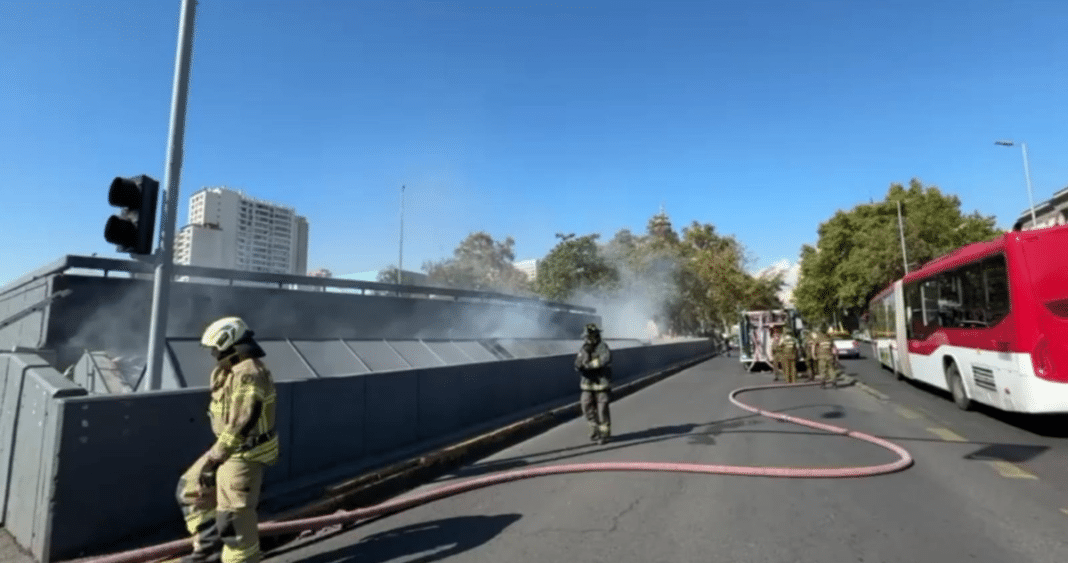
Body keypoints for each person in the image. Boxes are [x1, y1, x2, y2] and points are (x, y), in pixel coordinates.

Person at [176, 317, 279, 563]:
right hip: (228, 448)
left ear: (228, 343)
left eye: (215, 348)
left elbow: (243, 421)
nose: (213, 353)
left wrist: (214, 458)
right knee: (190, 488)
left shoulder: (248, 374)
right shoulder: (228, 372)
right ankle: (209, 552)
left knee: (235, 520)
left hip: (244, 452)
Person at [575, 323, 612, 444]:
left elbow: (605, 359)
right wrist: (579, 365)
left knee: (602, 411)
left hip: (601, 384)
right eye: (585, 337)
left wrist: (590, 366)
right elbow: (577, 362)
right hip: (587, 385)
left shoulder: (602, 346)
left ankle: (604, 435)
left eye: (588, 336)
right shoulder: (584, 348)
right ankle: (594, 429)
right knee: (585, 406)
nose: (586, 339)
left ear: (594, 335)